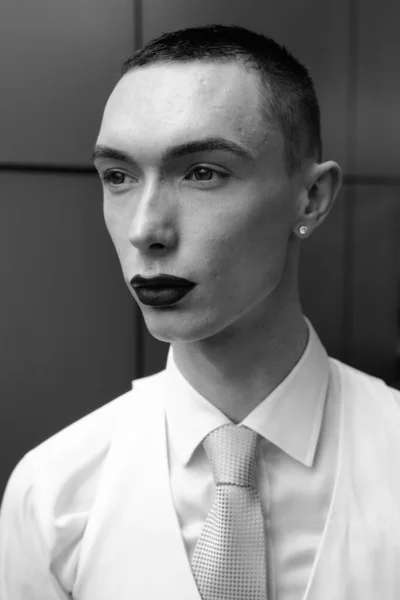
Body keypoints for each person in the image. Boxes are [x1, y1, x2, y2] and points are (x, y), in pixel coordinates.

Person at [1, 23, 399, 600]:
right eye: (118, 177)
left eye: (203, 173)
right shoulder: (55, 496)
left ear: (310, 198)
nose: (145, 230)